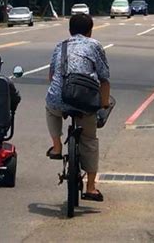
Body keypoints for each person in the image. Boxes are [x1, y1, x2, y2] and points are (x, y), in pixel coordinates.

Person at [45, 14, 110, 202]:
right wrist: (103, 104)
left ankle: (57, 147)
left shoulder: (60, 46)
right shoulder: (95, 45)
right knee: (89, 140)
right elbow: (104, 78)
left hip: (59, 97)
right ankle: (90, 187)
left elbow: (52, 76)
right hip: (85, 101)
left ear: (70, 30)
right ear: (90, 30)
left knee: (50, 108)